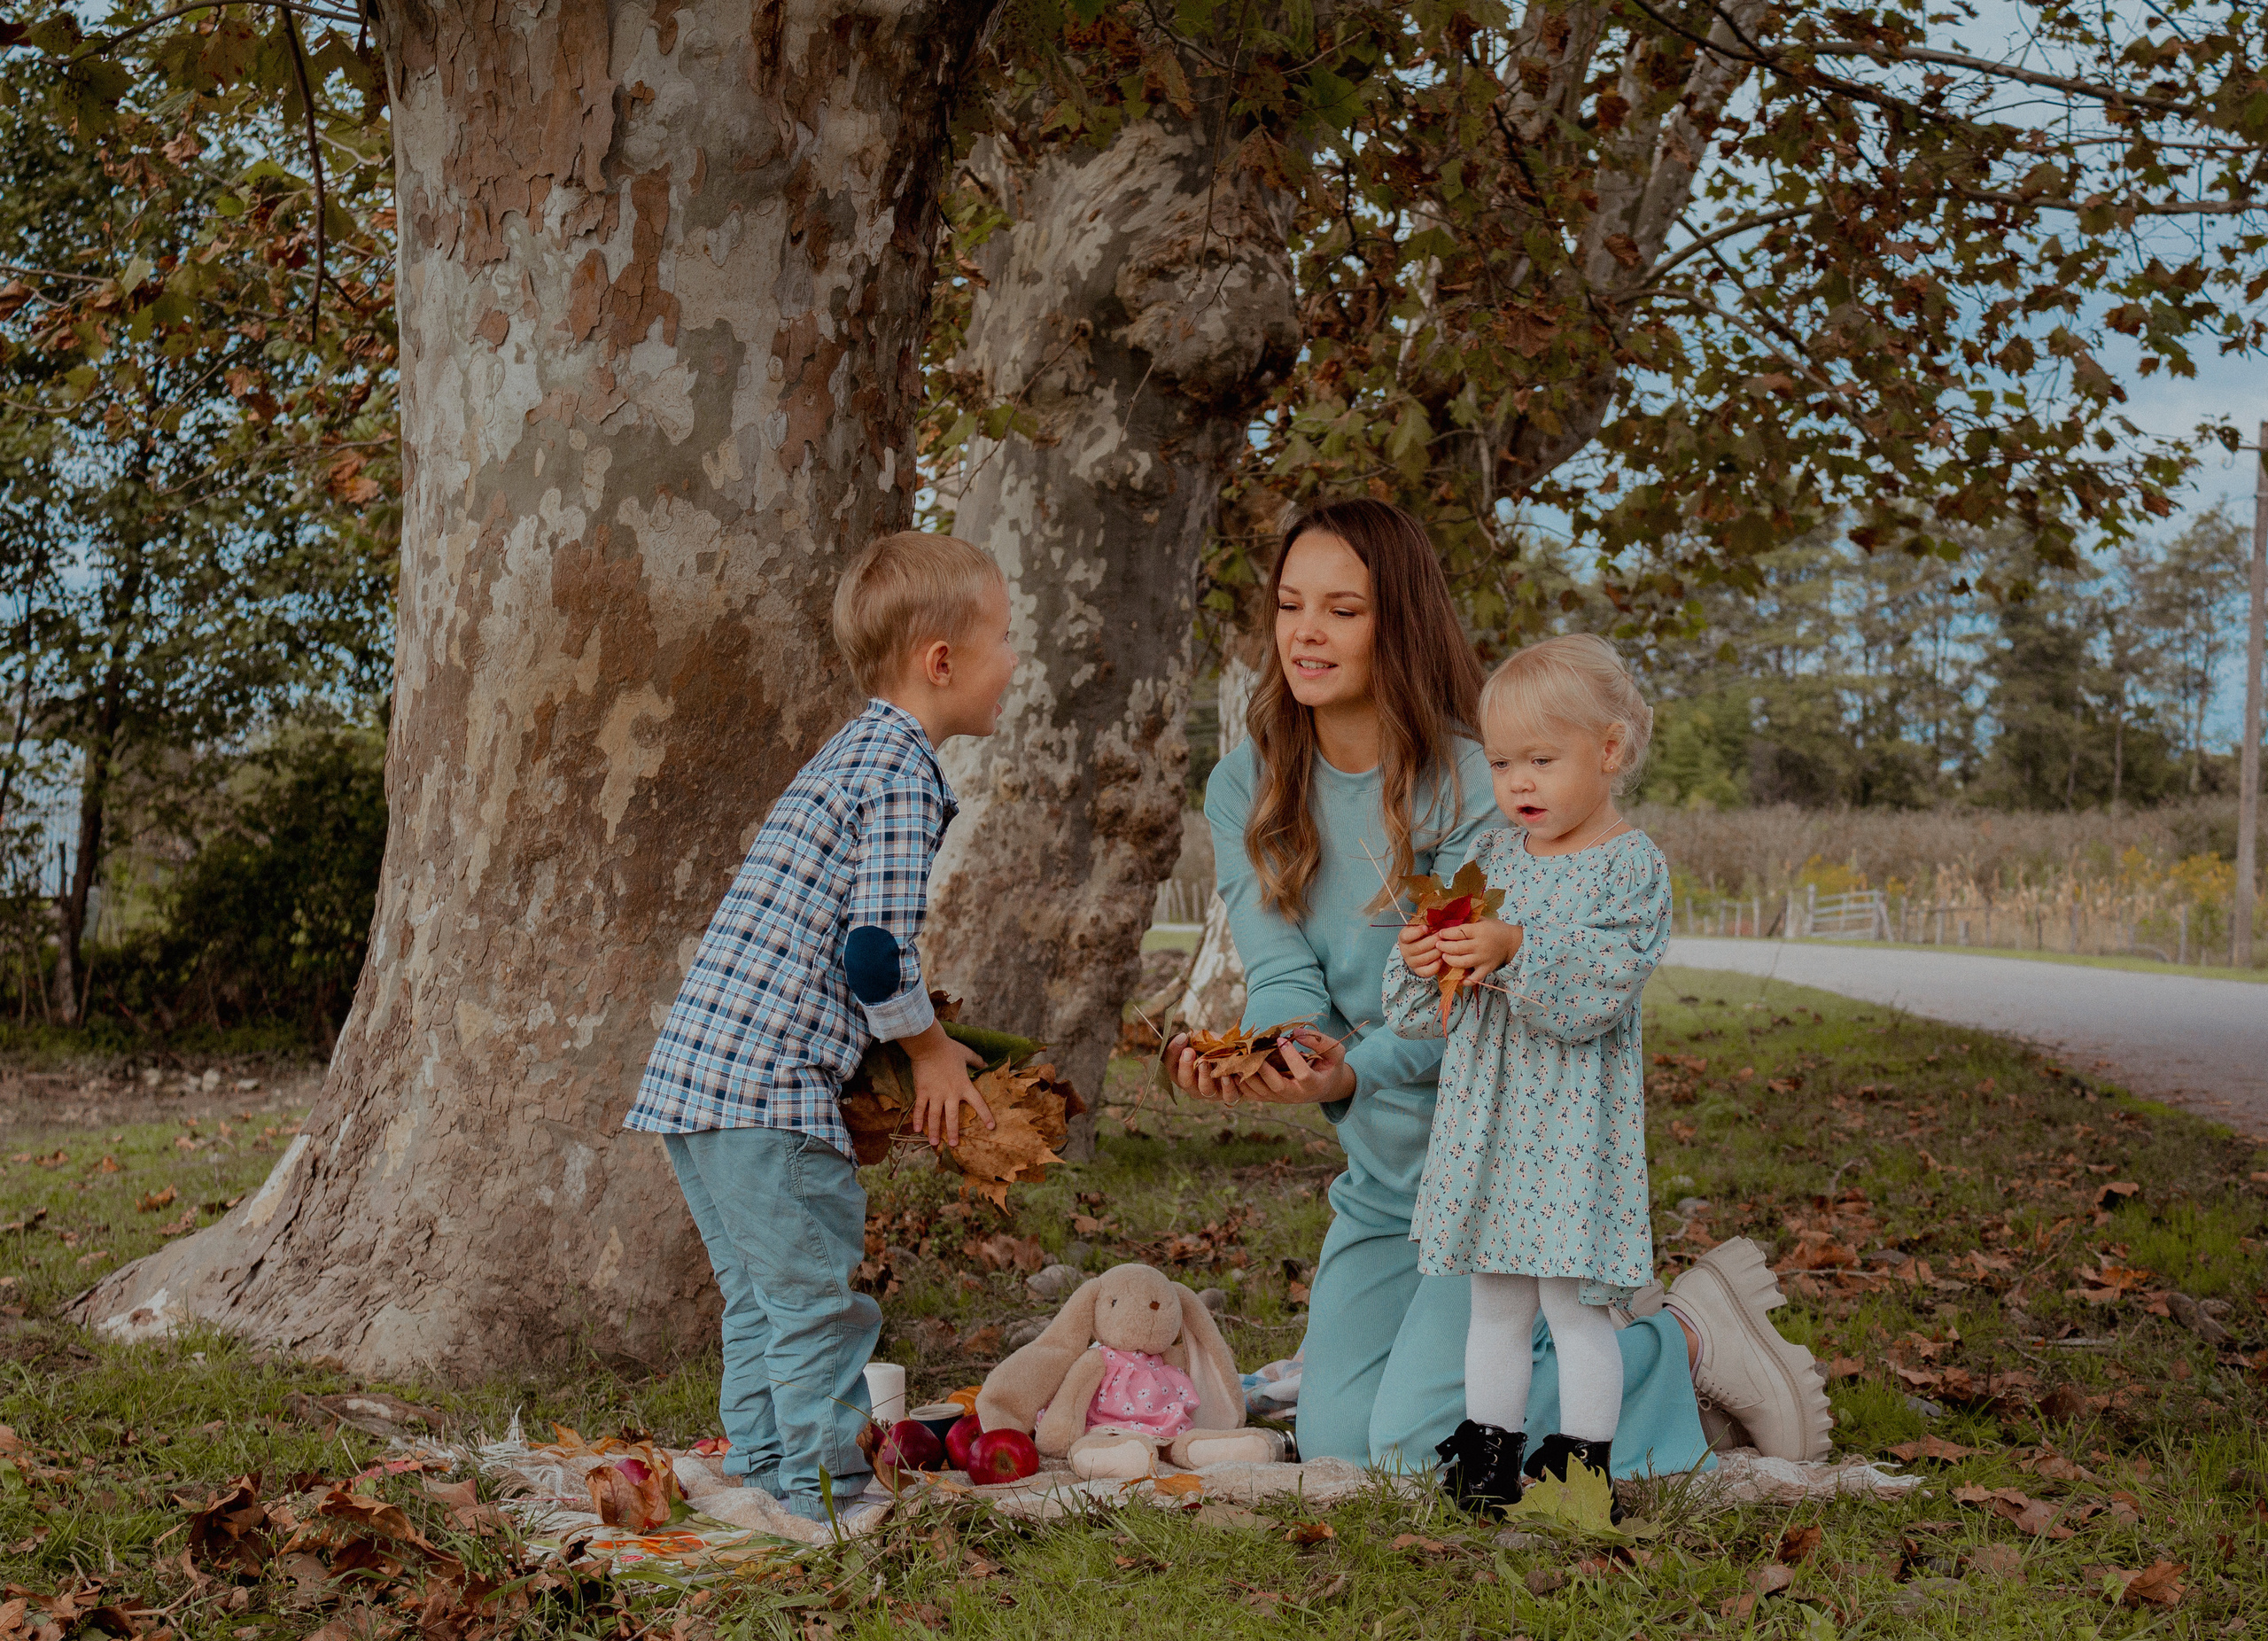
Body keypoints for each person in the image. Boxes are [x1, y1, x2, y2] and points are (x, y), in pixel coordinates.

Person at [1169, 499, 1829, 1476]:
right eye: (1289, 603)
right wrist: (1281, 1052)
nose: (1305, 632)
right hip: (1382, 1179)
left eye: (1342, 609)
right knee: (1337, 1443)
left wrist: (1348, 1073)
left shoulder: (1488, 787)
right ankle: (1557, 1353)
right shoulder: (1247, 783)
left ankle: (1676, 1342)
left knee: (1410, 1451)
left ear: (1396, 621)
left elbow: (1476, 1004)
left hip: (1494, 1162)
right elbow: (1280, 970)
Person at [622, 531, 1015, 1522]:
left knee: (762, 1299)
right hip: (768, 1089)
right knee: (815, 1301)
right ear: (942, 660)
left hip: (697, 1079)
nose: (1016, 660)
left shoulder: (850, 749)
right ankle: (831, 1500)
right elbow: (874, 952)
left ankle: (763, 1472)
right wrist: (925, 1048)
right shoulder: (902, 774)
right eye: (1005, 638)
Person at [1387, 634, 1666, 1516]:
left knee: (1575, 1308)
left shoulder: (1629, 865)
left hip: (1571, 1128)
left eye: (1542, 760)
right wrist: (1424, 955)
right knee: (1495, 1306)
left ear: (1609, 751)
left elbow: (1603, 984)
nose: (1519, 783)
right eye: (1503, 762)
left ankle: (1580, 1477)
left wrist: (1517, 947)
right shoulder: (1495, 860)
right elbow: (1419, 1012)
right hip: (1490, 1120)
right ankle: (1485, 1465)